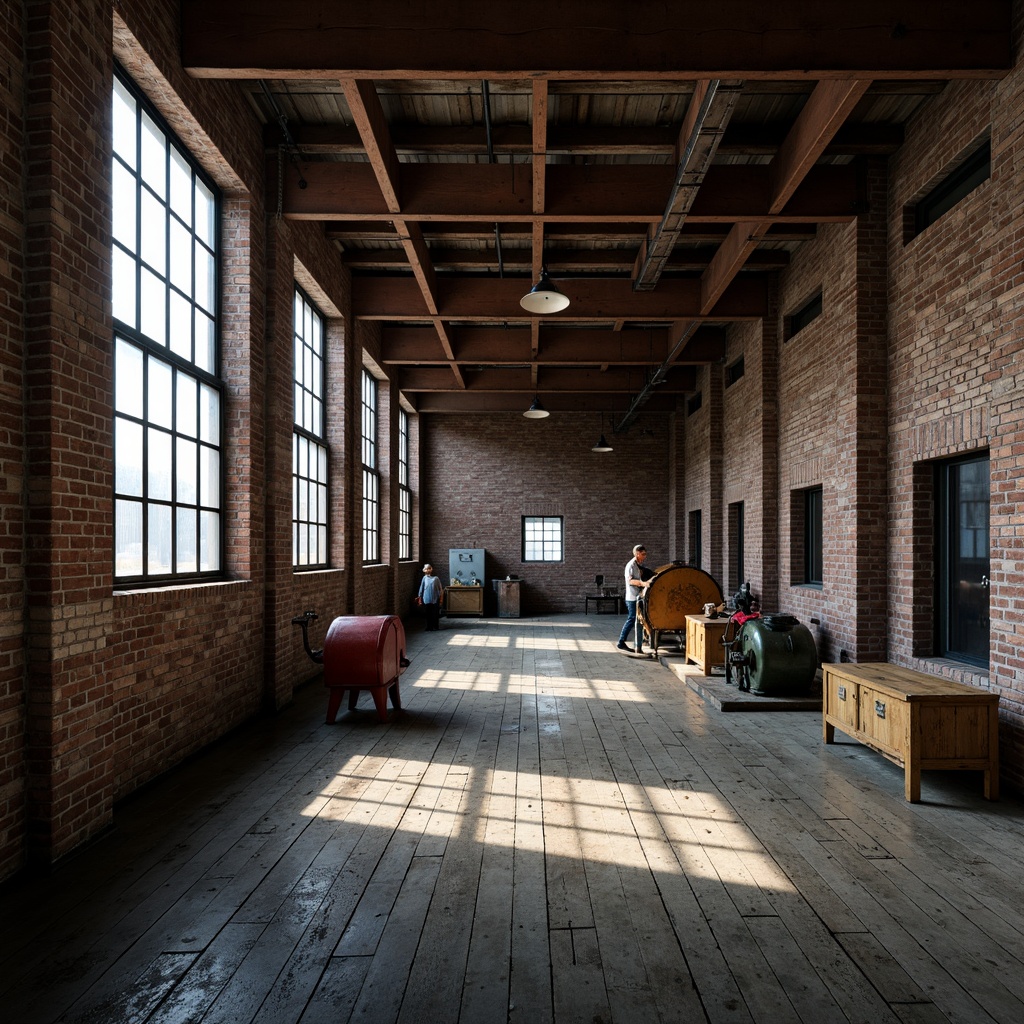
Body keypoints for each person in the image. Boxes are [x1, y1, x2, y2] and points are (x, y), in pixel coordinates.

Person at [617, 544, 653, 653]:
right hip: (632, 598)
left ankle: (639, 643)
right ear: (637, 553)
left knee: (637, 620)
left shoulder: (638, 565)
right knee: (632, 619)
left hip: (637, 596)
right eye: (643, 554)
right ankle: (621, 642)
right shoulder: (631, 565)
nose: (645, 556)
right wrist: (643, 583)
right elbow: (631, 581)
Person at [418, 563, 445, 631]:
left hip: (435, 598)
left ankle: (436, 626)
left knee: (435, 613)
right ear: (424, 570)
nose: (428, 570)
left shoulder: (436, 579)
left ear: (431, 569)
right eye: (426, 569)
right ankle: (429, 627)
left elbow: (440, 589)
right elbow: (422, 588)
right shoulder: (424, 578)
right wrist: (419, 597)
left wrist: (441, 599)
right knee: (428, 613)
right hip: (427, 598)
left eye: (429, 568)